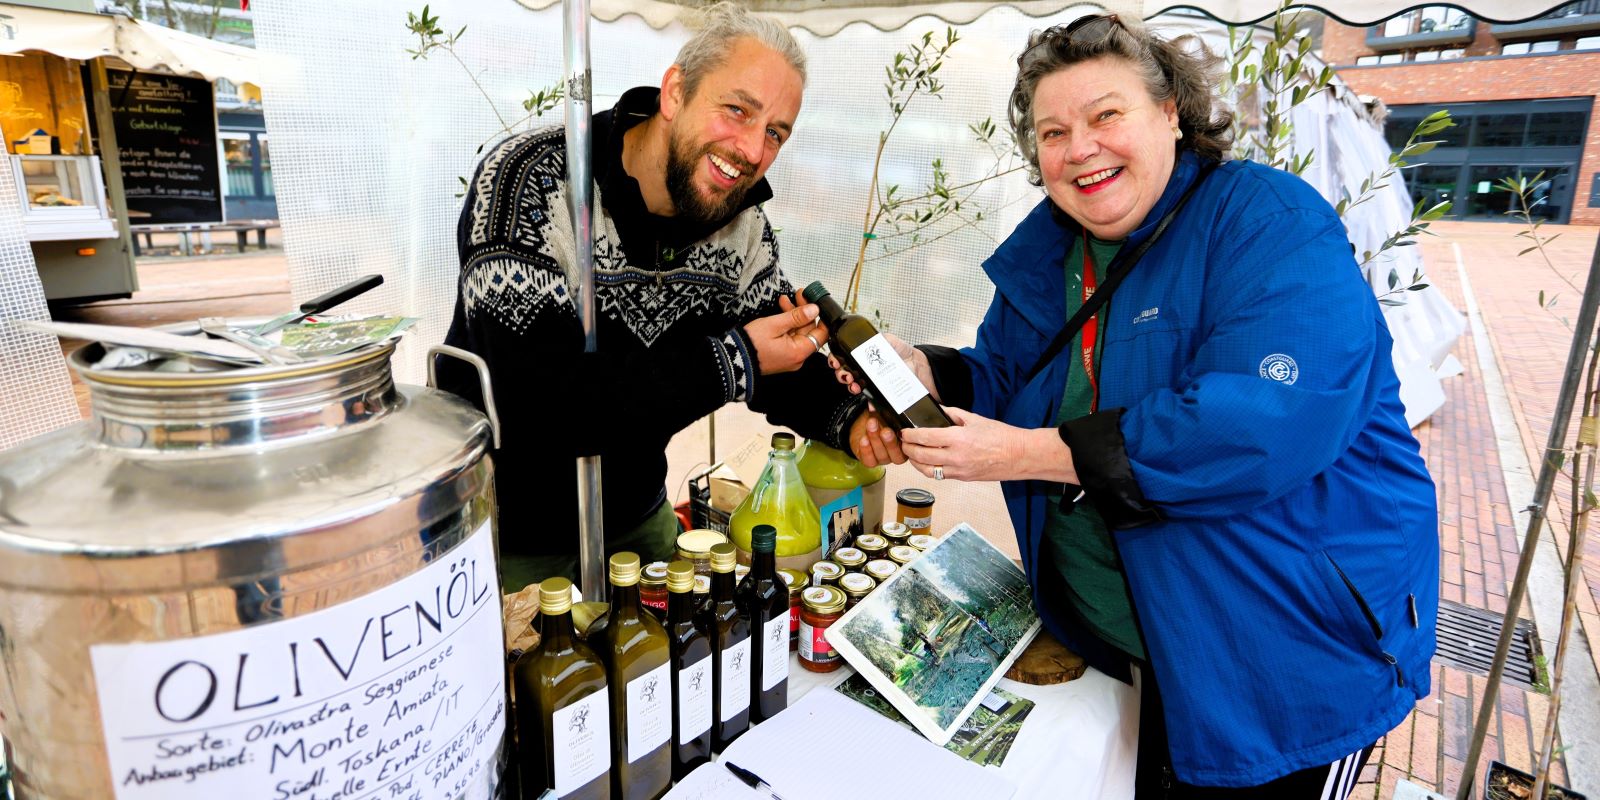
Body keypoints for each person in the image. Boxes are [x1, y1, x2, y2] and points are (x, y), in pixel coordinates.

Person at [840, 15, 1438, 797]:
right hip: (1123, 640)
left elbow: (1257, 423)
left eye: (1105, 115)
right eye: (1053, 133)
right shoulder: (1054, 247)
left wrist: (1027, 455)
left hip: (1275, 661)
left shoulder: (1268, 221)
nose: (1080, 148)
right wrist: (931, 375)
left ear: (1170, 113)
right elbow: (1013, 378)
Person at [439, 3, 888, 591]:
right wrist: (735, 361)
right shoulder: (530, 183)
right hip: (506, 535)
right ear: (675, 92)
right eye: (737, 110)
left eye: (775, 132)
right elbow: (540, 405)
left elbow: (773, 360)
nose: (752, 150)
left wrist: (853, 420)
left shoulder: (741, 224)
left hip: (637, 516)